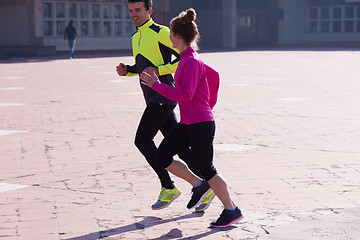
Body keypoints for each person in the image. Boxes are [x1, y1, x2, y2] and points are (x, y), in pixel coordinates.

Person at [140, 8, 244, 228]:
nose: (169, 38)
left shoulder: (191, 61)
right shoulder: (187, 58)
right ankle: (199, 185)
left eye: (170, 35)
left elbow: (186, 94)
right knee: (163, 156)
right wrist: (208, 103)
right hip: (190, 123)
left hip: (201, 125)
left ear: (177, 37)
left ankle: (231, 209)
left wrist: (156, 85)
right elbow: (213, 75)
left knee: (208, 169)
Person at [116, 0, 214, 211]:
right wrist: (129, 70)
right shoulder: (136, 36)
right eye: (131, 10)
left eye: (138, 10)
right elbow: (144, 65)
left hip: (163, 94)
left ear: (149, 11)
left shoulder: (161, 32)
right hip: (153, 95)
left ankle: (168, 186)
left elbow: (184, 57)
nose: (134, 14)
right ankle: (209, 185)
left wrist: (159, 72)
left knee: (142, 140)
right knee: (181, 149)